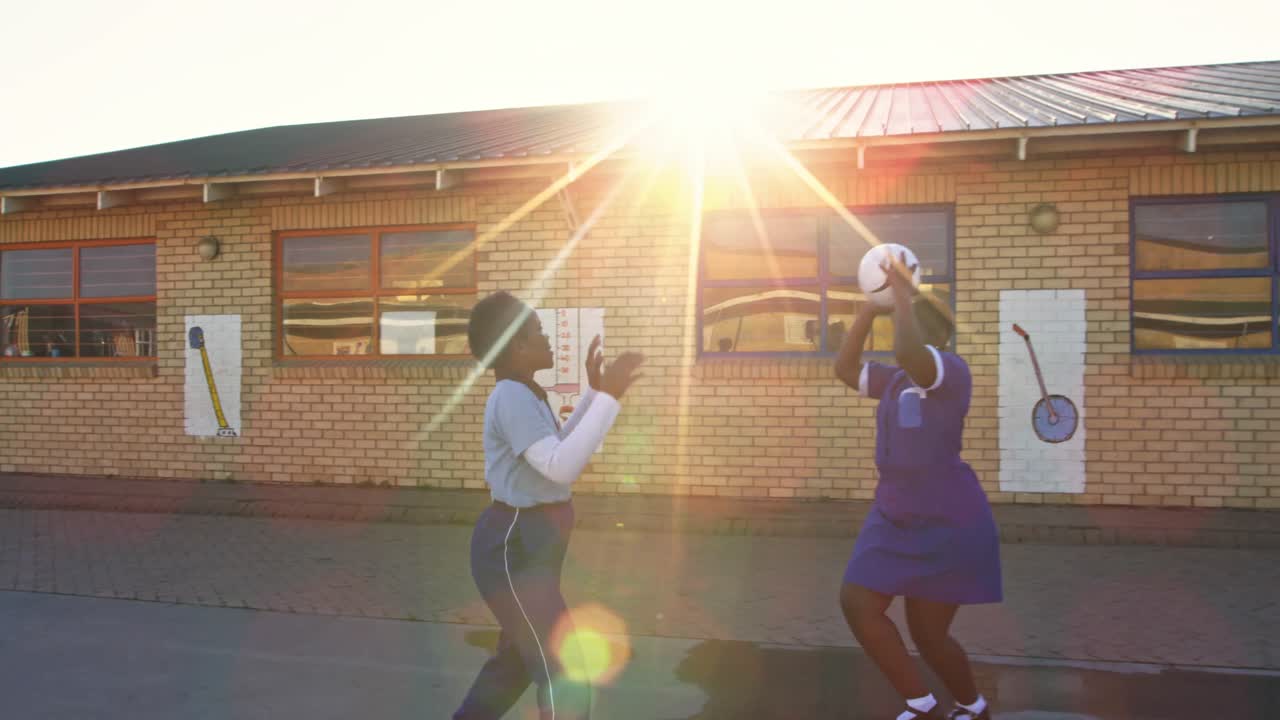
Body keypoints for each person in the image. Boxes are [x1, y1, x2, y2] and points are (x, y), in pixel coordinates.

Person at [454, 291, 644, 720]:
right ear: (517, 345)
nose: (548, 339)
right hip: (512, 546)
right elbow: (561, 467)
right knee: (561, 668)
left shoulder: (526, 393)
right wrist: (609, 397)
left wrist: (598, 396)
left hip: (530, 544)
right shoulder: (510, 397)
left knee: (517, 662)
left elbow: (558, 449)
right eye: (538, 332)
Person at [833, 252, 1002, 720]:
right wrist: (870, 309)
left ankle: (972, 706)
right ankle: (922, 705)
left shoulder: (951, 373)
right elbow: (846, 370)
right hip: (892, 516)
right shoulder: (894, 380)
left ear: (941, 336)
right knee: (857, 603)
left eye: (911, 322)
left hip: (946, 520)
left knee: (928, 636)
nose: (900, 331)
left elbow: (911, 351)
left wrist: (903, 296)